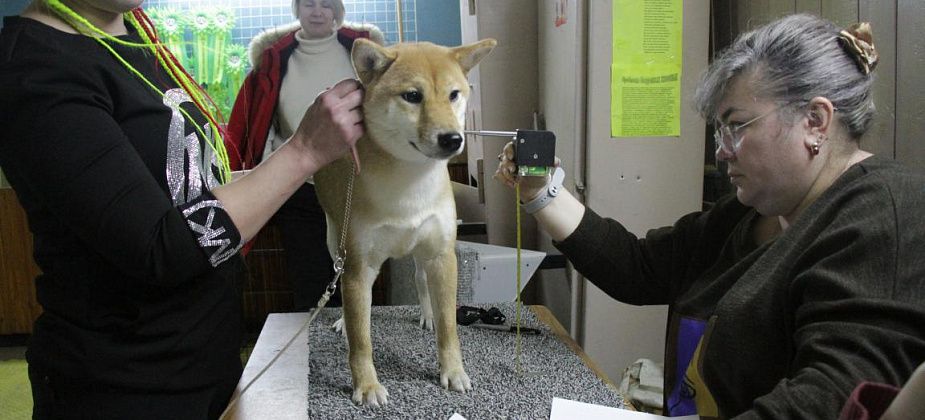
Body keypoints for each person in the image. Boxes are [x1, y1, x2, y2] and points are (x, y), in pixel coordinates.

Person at [495, 14, 925, 419]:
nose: (721, 151)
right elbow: (637, 267)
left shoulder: (886, 213)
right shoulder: (750, 210)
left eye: (736, 126)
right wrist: (542, 193)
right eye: (720, 131)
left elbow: (829, 399)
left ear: (815, 120)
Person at [0, 0, 363, 418]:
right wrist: (304, 151)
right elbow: (163, 246)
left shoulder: (126, 32)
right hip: (128, 388)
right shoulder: (37, 70)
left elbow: (190, 191)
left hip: (205, 364)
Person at [225, 0, 382, 311]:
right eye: (308, 3)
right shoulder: (273, 60)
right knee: (308, 282)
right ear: (296, 9)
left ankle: (363, 348)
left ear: (338, 11)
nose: (317, 11)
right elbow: (250, 127)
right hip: (298, 188)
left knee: (360, 276)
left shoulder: (363, 51)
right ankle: (310, 352)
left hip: (359, 185)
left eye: (326, 4)